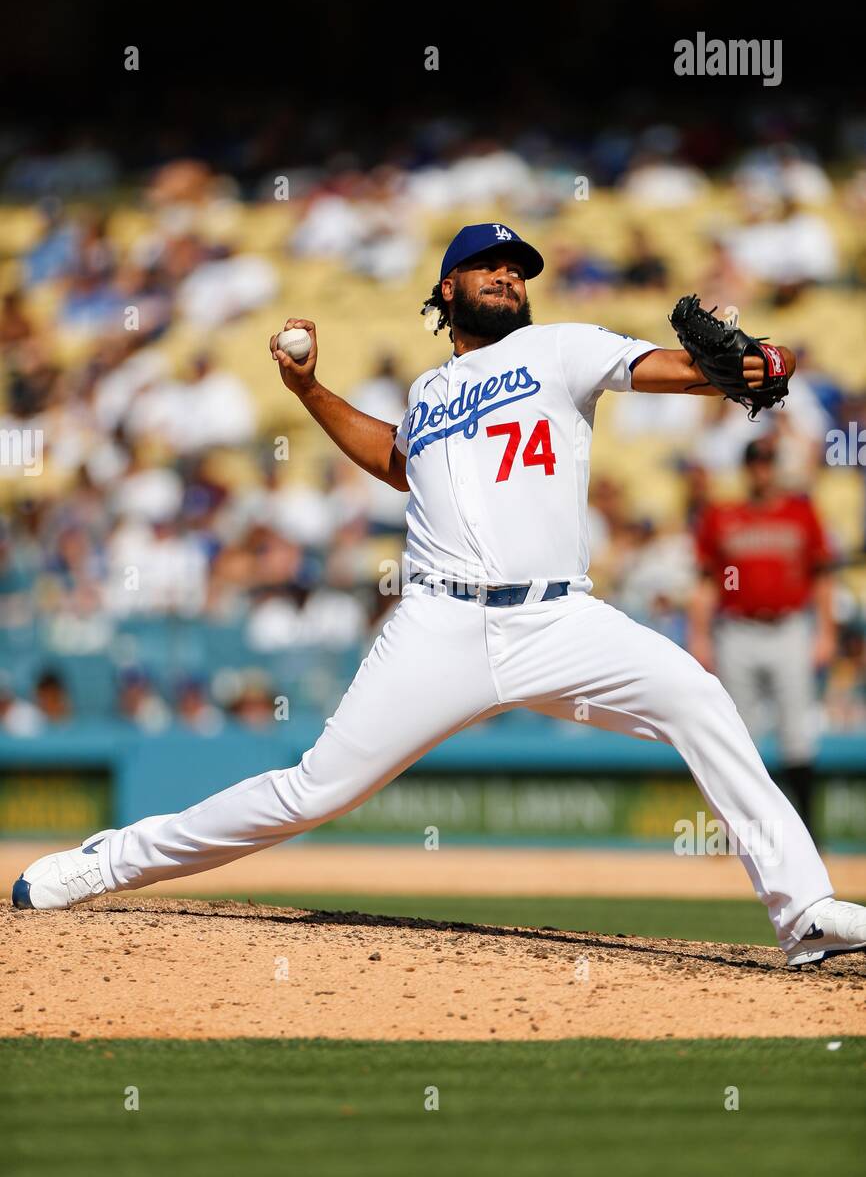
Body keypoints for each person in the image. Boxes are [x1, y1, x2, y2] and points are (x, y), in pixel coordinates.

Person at [13, 222, 866, 970]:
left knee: (697, 698)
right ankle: (112, 860)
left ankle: (803, 914)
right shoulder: (427, 392)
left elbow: (669, 368)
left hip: (558, 617)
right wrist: (309, 393)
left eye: (518, 267)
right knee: (315, 791)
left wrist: (745, 369)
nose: (507, 275)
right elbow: (394, 460)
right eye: (488, 264)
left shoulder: (557, 349)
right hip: (438, 622)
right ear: (448, 288)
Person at [688, 437, 835, 839]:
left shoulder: (801, 513)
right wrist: (698, 636)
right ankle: (739, 835)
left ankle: (807, 833)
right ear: (747, 468)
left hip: (789, 627)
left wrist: (825, 631)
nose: (762, 470)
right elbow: (706, 584)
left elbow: (822, 577)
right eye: (756, 463)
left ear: (776, 467)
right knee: (741, 736)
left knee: (797, 734)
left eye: (768, 462)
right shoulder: (723, 516)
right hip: (737, 630)